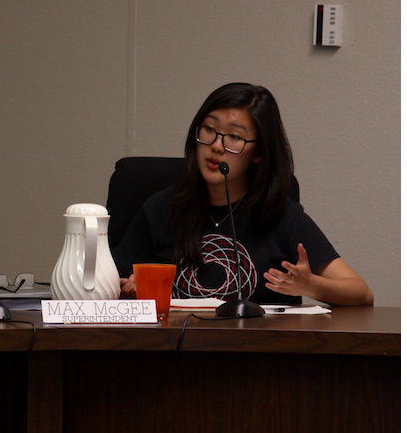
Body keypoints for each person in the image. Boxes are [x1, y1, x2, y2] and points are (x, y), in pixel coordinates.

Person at [112, 83, 373, 306]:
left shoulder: (282, 216)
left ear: (258, 152)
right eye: (209, 130)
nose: (216, 146)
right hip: (178, 347)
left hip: (259, 349)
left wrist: (312, 285)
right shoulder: (163, 208)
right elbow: (109, 283)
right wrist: (126, 290)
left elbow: (362, 293)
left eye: (234, 137)